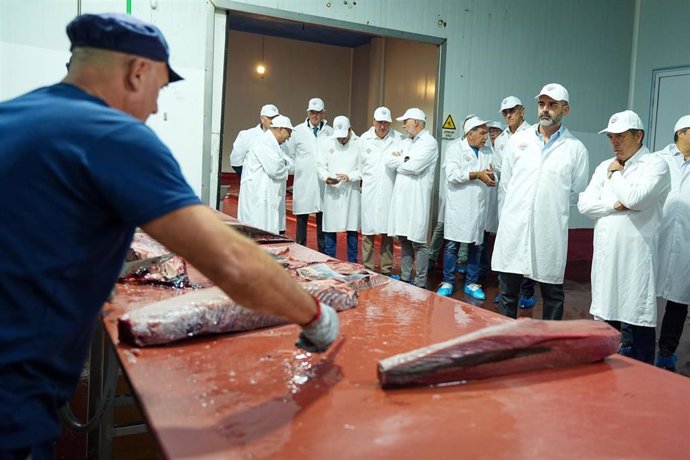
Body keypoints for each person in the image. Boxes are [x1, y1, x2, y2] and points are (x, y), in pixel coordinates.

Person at [0, 14, 339, 459]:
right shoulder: (114, 133)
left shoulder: (13, 114)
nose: (156, 108)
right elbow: (233, 264)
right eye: (159, 90)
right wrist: (314, 316)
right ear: (136, 71)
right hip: (12, 400)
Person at [578, 110, 670, 363]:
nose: (614, 142)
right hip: (607, 254)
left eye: (620, 136)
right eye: (610, 137)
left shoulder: (656, 165)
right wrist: (613, 205)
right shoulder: (603, 167)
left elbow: (635, 199)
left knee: (637, 313)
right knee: (607, 314)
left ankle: (642, 382)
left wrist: (616, 175)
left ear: (638, 135)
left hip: (636, 256)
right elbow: (585, 205)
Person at [492, 83, 589, 320]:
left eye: (552, 105)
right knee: (508, 292)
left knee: (552, 292)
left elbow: (577, 191)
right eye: (542, 104)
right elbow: (507, 182)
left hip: (549, 229)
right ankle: (506, 341)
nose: (545, 110)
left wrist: (546, 205)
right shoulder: (519, 141)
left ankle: (549, 344)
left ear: (565, 110)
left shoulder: (575, 149)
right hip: (514, 226)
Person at [436, 116, 495, 299]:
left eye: (486, 133)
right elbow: (452, 175)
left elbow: (494, 174)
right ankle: (448, 281)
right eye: (482, 133)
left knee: (476, 246)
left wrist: (492, 177)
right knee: (452, 245)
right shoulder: (455, 149)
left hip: (477, 208)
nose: (486, 137)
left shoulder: (487, 152)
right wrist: (477, 174)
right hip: (459, 207)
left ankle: (471, 282)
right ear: (470, 134)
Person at [387, 108, 438, 288]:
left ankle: (421, 281)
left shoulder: (429, 143)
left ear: (416, 122)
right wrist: (404, 159)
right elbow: (388, 161)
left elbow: (414, 167)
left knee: (418, 241)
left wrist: (401, 161)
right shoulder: (406, 141)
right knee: (404, 238)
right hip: (402, 196)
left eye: (406, 121)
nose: (403, 125)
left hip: (417, 198)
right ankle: (405, 277)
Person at [655, 115, 690, 371]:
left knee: (680, 298)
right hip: (656, 235)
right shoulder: (658, 160)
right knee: (644, 293)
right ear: (681, 133)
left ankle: (667, 349)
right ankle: (631, 341)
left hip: (687, 241)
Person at [494, 96, 536, 308]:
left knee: (526, 245)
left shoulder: (532, 136)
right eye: (505, 112)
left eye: (513, 110)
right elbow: (499, 170)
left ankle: (527, 292)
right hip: (506, 200)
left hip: (525, 201)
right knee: (507, 245)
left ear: (523, 110)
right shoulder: (501, 140)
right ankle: (506, 290)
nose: (509, 115)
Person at [358, 107, 404, 275]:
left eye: (386, 123)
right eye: (380, 122)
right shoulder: (364, 139)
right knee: (368, 232)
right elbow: (360, 166)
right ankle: (367, 268)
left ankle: (386, 268)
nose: (383, 126)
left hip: (389, 191)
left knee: (387, 233)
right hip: (370, 190)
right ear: (373, 122)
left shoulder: (399, 138)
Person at [237, 115, 295, 234]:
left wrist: (284, 164)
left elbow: (291, 165)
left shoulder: (274, 145)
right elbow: (275, 170)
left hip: (265, 196)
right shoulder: (263, 143)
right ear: (280, 129)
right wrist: (284, 165)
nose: (289, 138)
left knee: (265, 231)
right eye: (289, 133)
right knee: (258, 232)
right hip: (259, 197)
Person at [289, 98, 333, 253]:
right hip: (304, 181)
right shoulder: (297, 131)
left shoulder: (330, 132)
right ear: (307, 112)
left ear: (323, 113)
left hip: (322, 183)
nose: (315, 115)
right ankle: (300, 251)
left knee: (322, 219)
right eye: (312, 112)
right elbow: (290, 153)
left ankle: (322, 253)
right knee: (302, 218)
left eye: (318, 112)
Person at [318, 116, 361, 262]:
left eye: (343, 137)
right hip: (333, 191)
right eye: (339, 137)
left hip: (351, 192)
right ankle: (330, 261)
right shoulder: (326, 143)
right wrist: (325, 177)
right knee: (330, 227)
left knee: (352, 228)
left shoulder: (359, 143)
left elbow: (363, 169)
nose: (341, 140)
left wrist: (350, 176)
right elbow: (321, 166)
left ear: (350, 129)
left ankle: (353, 262)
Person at [230, 103, 280, 178]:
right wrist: (249, 178)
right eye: (271, 118)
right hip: (253, 186)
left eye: (276, 118)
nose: (274, 121)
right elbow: (236, 163)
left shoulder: (282, 137)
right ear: (262, 119)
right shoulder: (246, 135)